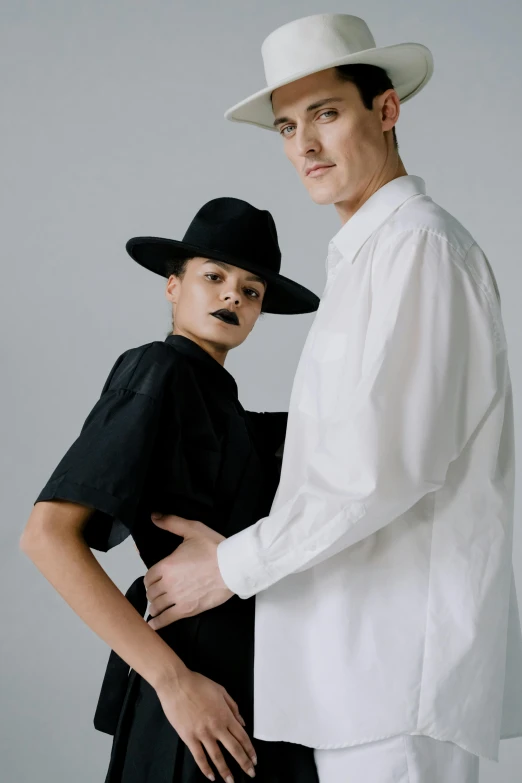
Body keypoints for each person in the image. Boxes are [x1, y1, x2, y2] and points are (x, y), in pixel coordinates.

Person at [139, 14, 522, 783]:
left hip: (393, 675)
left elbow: (384, 466)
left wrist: (230, 566)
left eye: (326, 113)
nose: (304, 147)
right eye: (286, 126)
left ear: (386, 110)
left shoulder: (417, 248)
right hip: (358, 676)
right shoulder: (370, 256)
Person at [20, 197, 320, 783]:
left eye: (251, 291)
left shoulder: (240, 416)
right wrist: (174, 683)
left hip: (268, 689)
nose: (233, 296)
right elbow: (47, 537)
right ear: (172, 287)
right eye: (214, 277)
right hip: (197, 689)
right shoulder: (158, 370)